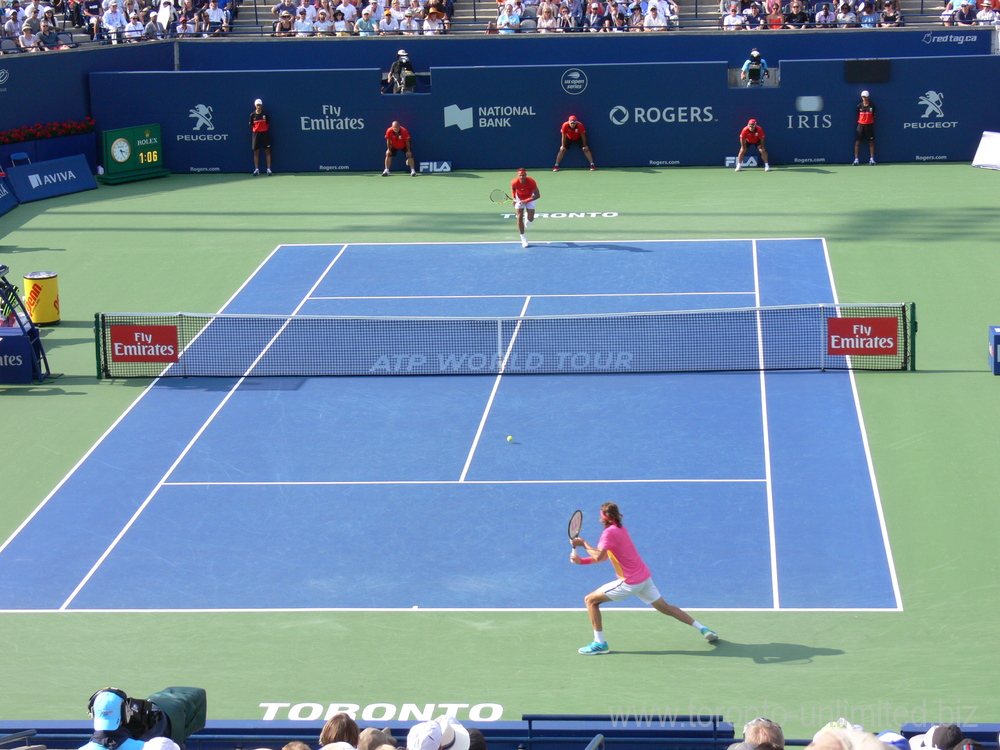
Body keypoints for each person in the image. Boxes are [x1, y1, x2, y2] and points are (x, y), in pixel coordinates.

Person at [570, 502, 719, 654]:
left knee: (590, 600)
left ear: (603, 518)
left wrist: (583, 543)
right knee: (666, 608)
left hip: (630, 582)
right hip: (644, 579)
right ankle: (703, 629)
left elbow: (599, 555)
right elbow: (602, 557)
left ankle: (599, 644)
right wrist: (582, 561)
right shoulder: (621, 530)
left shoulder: (608, 534)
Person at [510, 168, 539, 248]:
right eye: (520, 175)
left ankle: (528, 216)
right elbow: (513, 189)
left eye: (523, 175)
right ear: (518, 176)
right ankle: (523, 238)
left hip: (530, 197)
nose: (522, 177)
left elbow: (537, 195)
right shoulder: (514, 182)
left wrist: (526, 201)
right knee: (519, 217)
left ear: (526, 175)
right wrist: (513, 198)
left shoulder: (531, 182)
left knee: (531, 219)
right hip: (519, 198)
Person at [250, 98, 272, 175]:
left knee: (267, 151)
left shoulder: (265, 114)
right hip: (256, 134)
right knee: (256, 152)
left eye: (260, 105)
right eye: (257, 105)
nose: (258, 106)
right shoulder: (252, 115)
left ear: (261, 105)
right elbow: (252, 125)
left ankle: (268, 169)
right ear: (255, 105)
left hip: (264, 134)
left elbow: (267, 124)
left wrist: (263, 129)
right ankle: (256, 169)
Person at [853, 90, 875, 165]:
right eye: (863, 96)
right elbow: (858, 115)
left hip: (869, 126)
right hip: (861, 126)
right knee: (858, 142)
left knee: (871, 142)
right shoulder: (859, 106)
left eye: (865, 97)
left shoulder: (872, 106)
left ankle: (871, 160)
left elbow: (873, 115)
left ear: (868, 97)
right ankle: (856, 160)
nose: (864, 98)